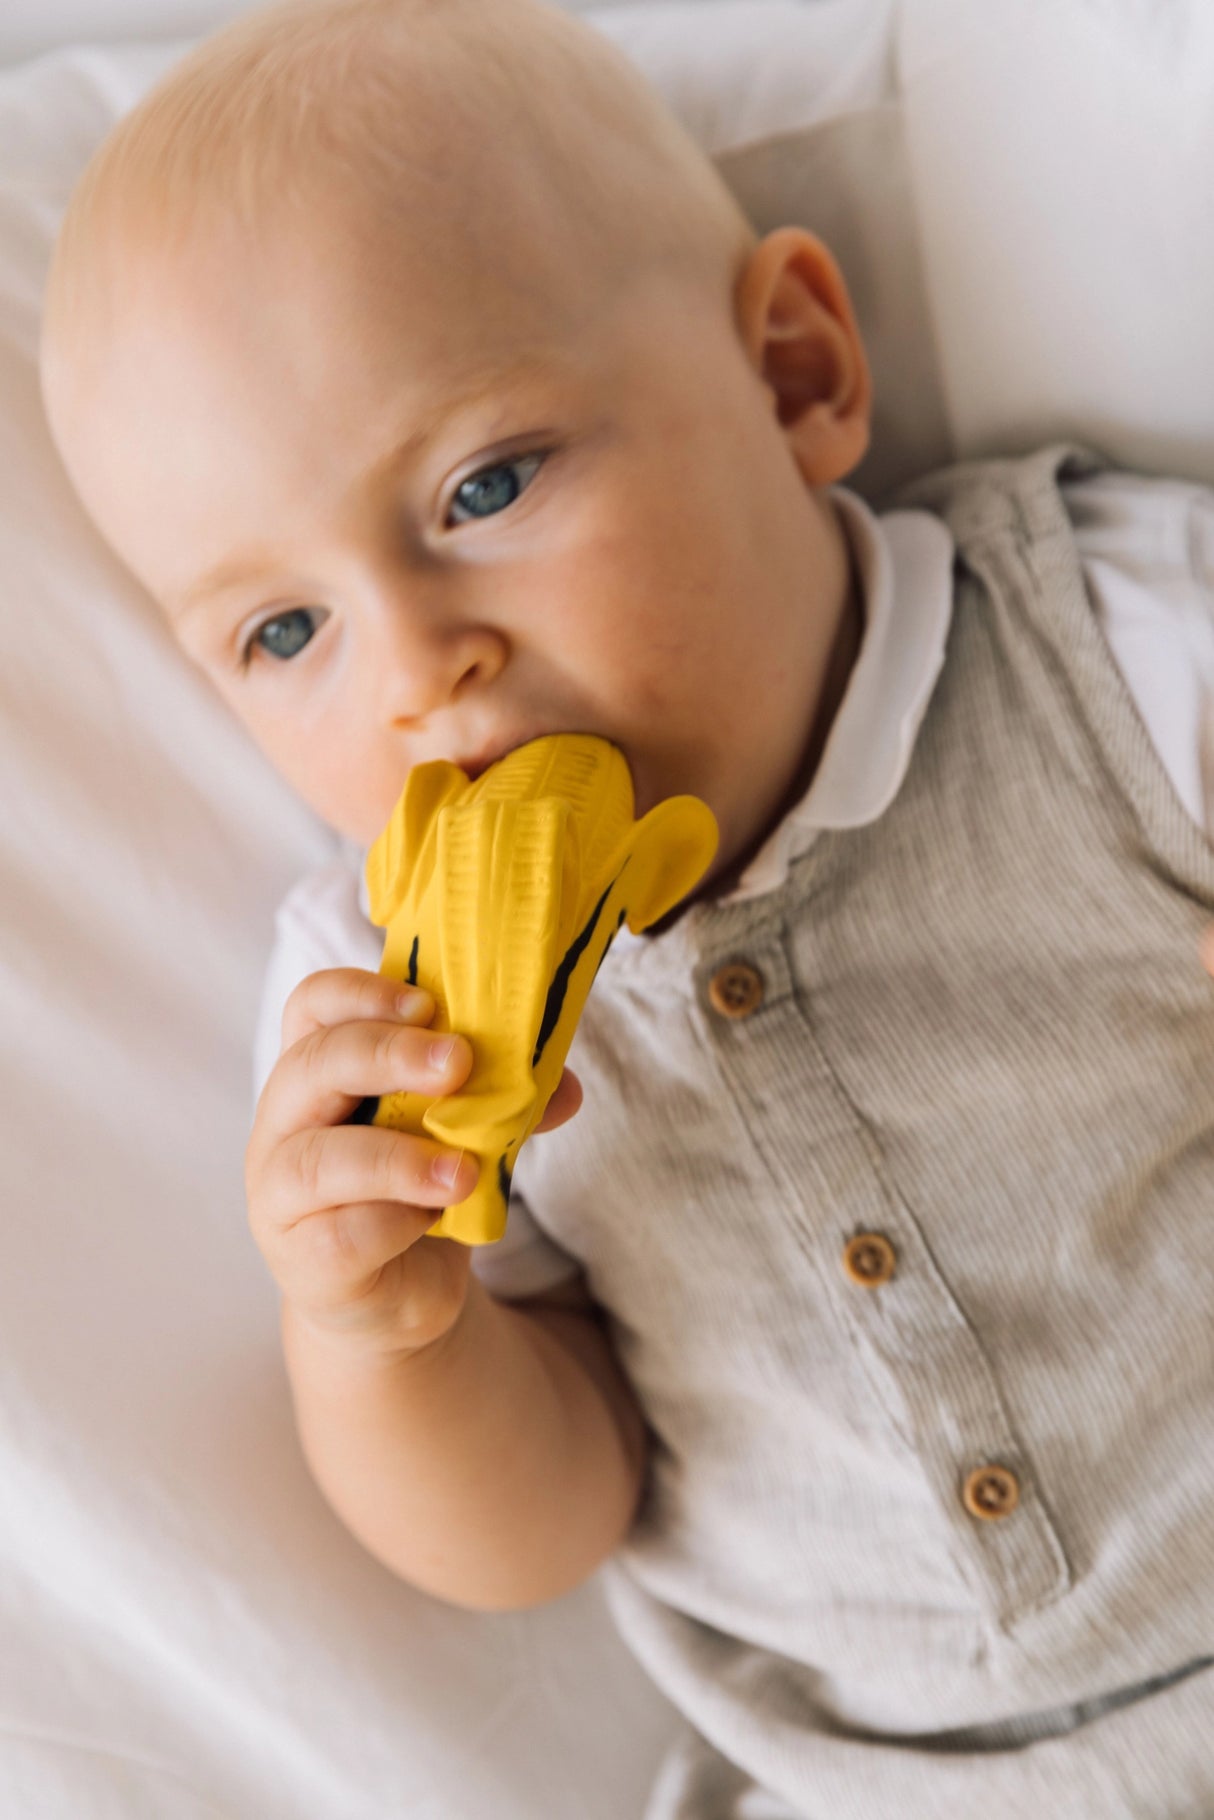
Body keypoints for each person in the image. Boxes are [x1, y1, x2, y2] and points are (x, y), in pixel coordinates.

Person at [36, 0, 1214, 1811]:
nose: (418, 670)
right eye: (285, 630)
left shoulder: (1114, 658)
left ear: (793, 375)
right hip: (875, 1783)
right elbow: (552, 1516)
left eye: (483, 487)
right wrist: (388, 1336)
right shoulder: (376, 1020)